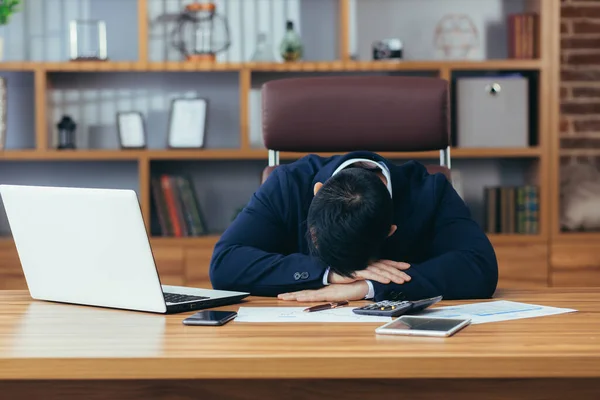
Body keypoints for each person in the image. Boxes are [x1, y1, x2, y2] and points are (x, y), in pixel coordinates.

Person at [209, 151, 498, 303]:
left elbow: (479, 267)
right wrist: (329, 275)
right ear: (317, 192)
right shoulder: (288, 184)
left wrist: (368, 287)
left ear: (389, 231)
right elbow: (225, 264)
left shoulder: (431, 192)